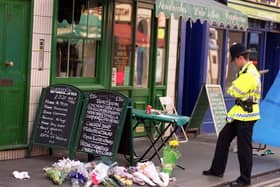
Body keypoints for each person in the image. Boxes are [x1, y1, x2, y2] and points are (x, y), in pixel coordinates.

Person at [202, 43, 261, 187]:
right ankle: (217, 170)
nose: (234, 63)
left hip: (247, 116)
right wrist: (234, 85)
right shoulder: (245, 71)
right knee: (223, 138)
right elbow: (234, 88)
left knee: (244, 148)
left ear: (240, 58)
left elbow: (234, 91)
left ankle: (245, 180)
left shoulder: (249, 73)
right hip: (239, 114)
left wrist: (232, 86)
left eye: (234, 60)